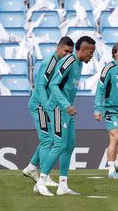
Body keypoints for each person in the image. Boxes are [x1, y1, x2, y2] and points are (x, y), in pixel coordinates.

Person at [34, 36, 96, 196]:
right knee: (60, 145)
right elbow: (53, 84)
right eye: (91, 52)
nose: (92, 56)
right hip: (57, 108)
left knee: (70, 145)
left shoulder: (80, 64)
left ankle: (63, 185)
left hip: (67, 110)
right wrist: (65, 105)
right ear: (82, 50)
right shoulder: (69, 61)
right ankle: (41, 182)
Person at [23, 36, 74, 187]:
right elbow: (40, 86)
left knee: (50, 139)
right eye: (66, 51)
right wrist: (47, 107)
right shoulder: (51, 62)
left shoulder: (58, 62)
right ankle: (44, 177)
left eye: (70, 52)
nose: (67, 55)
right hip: (40, 106)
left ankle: (32, 167)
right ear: (59, 48)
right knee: (47, 140)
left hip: (44, 105)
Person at [93, 41, 118, 179]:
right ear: (115, 53)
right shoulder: (108, 68)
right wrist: (98, 109)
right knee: (115, 136)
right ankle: (111, 170)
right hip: (111, 110)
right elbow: (100, 90)